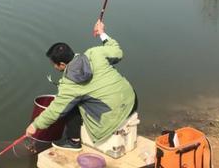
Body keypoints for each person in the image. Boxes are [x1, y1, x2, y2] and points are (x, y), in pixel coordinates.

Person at [25, 19, 137, 151]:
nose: (54, 67)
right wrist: (102, 33)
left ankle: (73, 141)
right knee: (78, 98)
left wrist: (35, 125)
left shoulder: (70, 84)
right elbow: (117, 52)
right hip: (131, 100)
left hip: (112, 116)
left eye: (54, 64)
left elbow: (56, 110)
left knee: (69, 105)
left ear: (62, 64)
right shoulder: (95, 53)